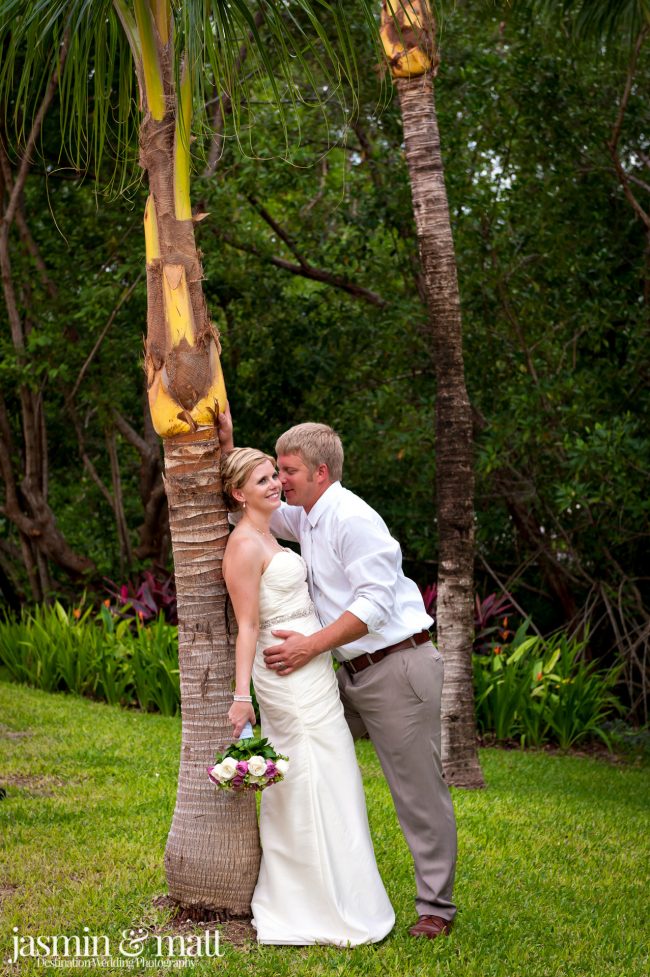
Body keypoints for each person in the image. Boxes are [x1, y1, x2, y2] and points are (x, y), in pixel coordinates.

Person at [217, 411, 458, 942]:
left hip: (396, 666)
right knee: (307, 768)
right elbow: (246, 501)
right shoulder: (300, 515)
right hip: (337, 673)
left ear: (320, 472)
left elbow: (372, 605)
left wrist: (309, 646)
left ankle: (435, 907)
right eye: (275, 472)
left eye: (288, 471)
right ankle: (310, 883)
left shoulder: (353, 519)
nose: (279, 481)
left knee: (417, 792)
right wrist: (228, 446)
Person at [220, 446, 394, 947]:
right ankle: (308, 905)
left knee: (334, 773)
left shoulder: (269, 529)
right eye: (262, 480)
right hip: (285, 675)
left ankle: (349, 893)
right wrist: (241, 696)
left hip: (313, 669)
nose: (275, 483)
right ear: (238, 494)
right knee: (304, 780)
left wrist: (227, 433)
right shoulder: (244, 546)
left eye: (276, 474)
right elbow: (247, 626)